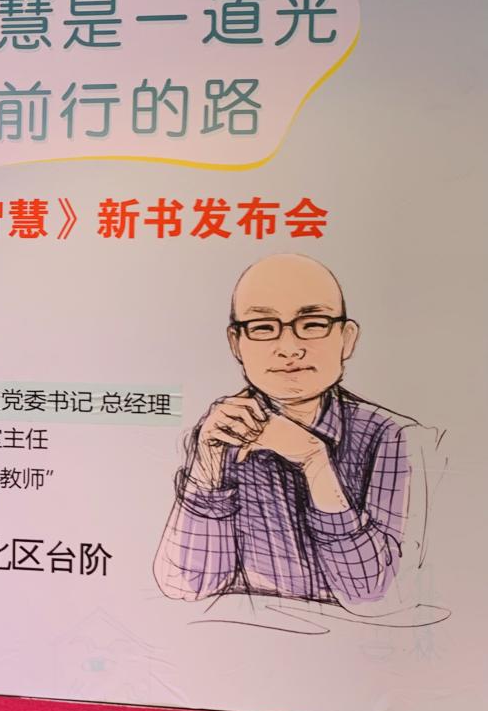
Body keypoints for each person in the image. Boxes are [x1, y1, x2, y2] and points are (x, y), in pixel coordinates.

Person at [154, 254, 430, 616]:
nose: (289, 348)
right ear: (236, 343)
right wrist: (206, 471)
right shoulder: (219, 432)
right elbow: (186, 586)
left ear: (347, 339)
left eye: (313, 324)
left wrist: (316, 463)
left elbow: (376, 596)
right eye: (263, 327)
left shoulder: (391, 436)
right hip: (248, 637)